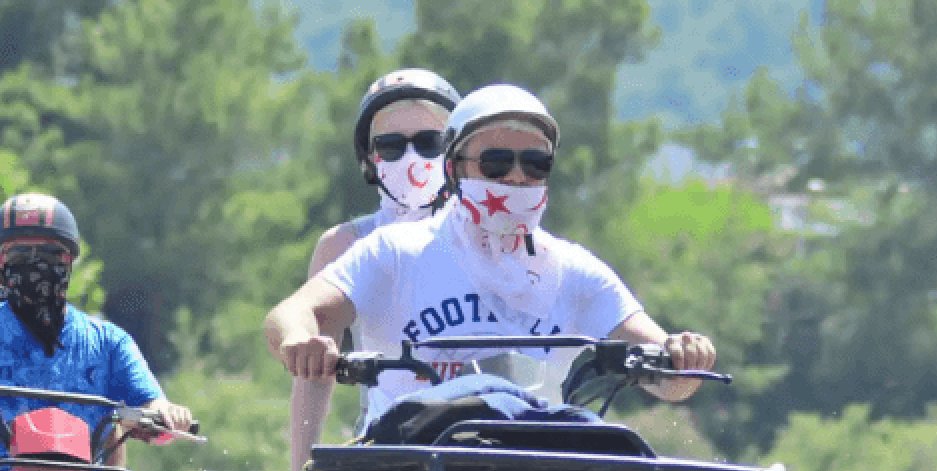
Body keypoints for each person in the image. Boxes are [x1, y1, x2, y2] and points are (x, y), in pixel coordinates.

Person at [265, 83, 716, 448]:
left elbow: (672, 382)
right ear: (455, 169)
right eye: (496, 162)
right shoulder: (394, 251)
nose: (517, 177)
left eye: (535, 163)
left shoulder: (577, 271)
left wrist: (683, 356)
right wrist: (302, 339)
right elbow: (290, 314)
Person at [291, 67, 461, 471]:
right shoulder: (344, 244)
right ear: (369, 160)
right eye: (391, 147)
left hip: (495, 443)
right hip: (390, 450)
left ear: (456, 152)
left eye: (429, 142)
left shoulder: (493, 235)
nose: (412, 158)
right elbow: (315, 377)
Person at [0, 191, 193, 467]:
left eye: (51, 254)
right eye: (20, 254)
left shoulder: (108, 343)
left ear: (68, 262)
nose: (36, 264)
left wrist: (166, 414)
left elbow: (151, 403)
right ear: (1, 263)